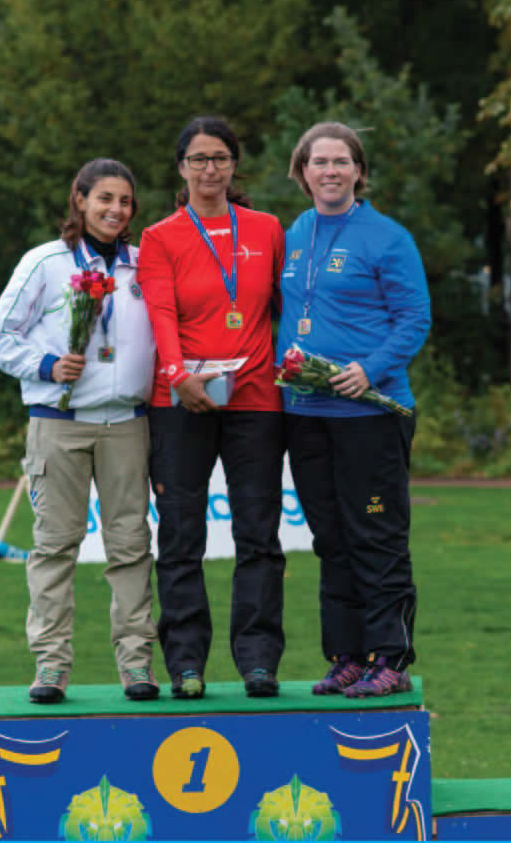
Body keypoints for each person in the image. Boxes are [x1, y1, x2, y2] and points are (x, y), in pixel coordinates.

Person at [0, 158, 159, 704]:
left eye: (125, 201)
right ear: (79, 200)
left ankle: (136, 664)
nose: (115, 209)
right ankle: (51, 665)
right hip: (59, 424)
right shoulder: (45, 262)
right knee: (55, 547)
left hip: (127, 425)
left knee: (131, 547)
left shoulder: (144, 264)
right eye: (104, 198)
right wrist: (46, 366)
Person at [277, 122, 431, 698]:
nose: (330, 171)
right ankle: (346, 655)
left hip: (370, 416)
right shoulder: (296, 233)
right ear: (303, 172)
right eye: (319, 162)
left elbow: (414, 318)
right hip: (306, 415)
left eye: (341, 161)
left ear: (359, 171)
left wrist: (370, 367)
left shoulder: (388, 237)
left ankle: (389, 657)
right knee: (331, 539)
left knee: (376, 534)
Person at [137, 116, 285, 699]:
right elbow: (161, 313)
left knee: (259, 534)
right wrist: (179, 378)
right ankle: (186, 664)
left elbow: (285, 303)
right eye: (198, 159)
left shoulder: (267, 228)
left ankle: (258, 661)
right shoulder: (160, 237)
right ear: (181, 167)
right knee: (180, 535)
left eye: (220, 157)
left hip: (256, 399)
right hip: (181, 401)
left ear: (234, 165)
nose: (209, 169)